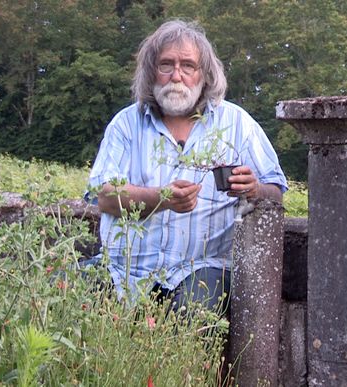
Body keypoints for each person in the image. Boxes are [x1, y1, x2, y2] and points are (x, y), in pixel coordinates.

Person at [86, 20, 287, 313]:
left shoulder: (237, 124)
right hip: (122, 269)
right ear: (151, 71)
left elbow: (276, 192)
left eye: (188, 66)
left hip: (202, 268)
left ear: (204, 75)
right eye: (166, 65)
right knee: (63, 293)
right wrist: (161, 198)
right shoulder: (126, 124)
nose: (176, 76)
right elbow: (105, 196)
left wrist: (254, 188)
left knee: (193, 312)